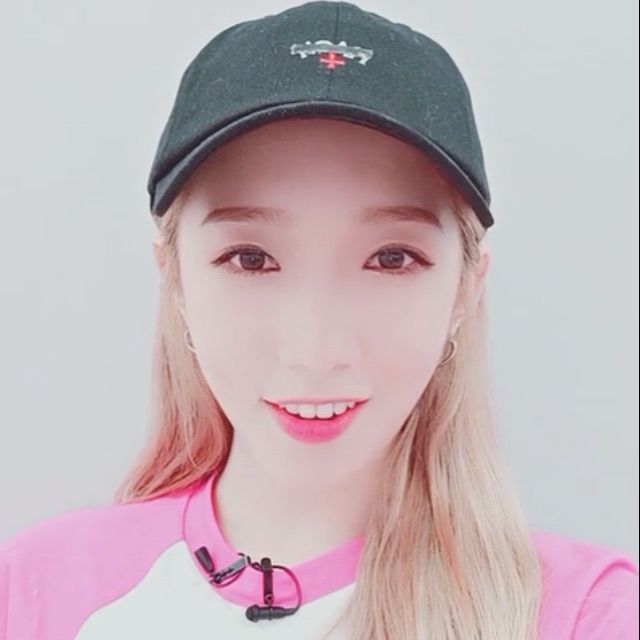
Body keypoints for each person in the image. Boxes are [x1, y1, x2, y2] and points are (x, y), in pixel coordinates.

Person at [0, 2, 637, 639]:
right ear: (176, 279)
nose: (315, 350)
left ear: (465, 289)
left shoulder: (588, 615)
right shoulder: (41, 592)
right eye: (250, 258)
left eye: (391, 258)